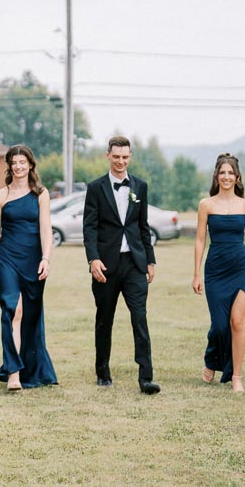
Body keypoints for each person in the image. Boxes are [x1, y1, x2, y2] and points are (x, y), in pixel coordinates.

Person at [84, 136, 160, 394]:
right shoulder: (96, 188)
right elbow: (89, 228)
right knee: (104, 319)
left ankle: (146, 377)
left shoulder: (141, 186)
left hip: (135, 264)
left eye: (125, 157)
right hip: (106, 264)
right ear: (108, 155)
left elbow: (143, 226)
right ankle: (102, 371)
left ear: (130, 157)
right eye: (116, 156)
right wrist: (93, 259)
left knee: (140, 318)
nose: (120, 161)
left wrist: (150, 259)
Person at [192, 152, 245, 393]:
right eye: (222, 172)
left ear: (237, 177)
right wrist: (196, 274)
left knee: (238, 322)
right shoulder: (206, 204)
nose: (226, 177)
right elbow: (200, 241)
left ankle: (236, 376)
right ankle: (211, 358)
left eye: (230, 173)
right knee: (220, 325)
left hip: (240, 268)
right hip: (215, 270)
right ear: (216, 176)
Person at [0, 144, 57, 391]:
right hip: (7, 259)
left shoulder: (41, 194)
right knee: (12, 310)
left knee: (30, 316)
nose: (18, 166)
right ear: (9, 166)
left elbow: (46, 229)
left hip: (34, 260)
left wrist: (46, 258)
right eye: (13, 162)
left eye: (22, 162)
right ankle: (13, 373)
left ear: (30, 165)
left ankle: (31, 367)